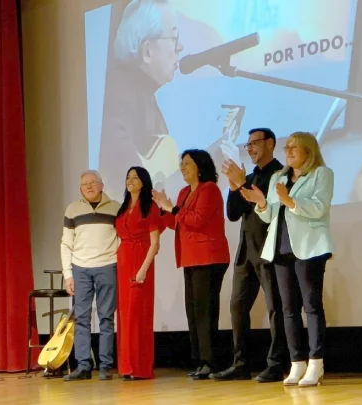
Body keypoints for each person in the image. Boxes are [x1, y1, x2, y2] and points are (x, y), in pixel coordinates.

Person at [240, 132, 335, 387]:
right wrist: (261, 203)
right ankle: (297, 363)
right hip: (281, 248)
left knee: (311, 306)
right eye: (287, 147)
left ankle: (316, 363)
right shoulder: (278, 178)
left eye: (294, 147)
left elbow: (319, 207)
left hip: (310, 248)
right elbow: (270, 215)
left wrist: (290, 200)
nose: (289, 151)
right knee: (288, 309)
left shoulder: (321, 174)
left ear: (308, 151)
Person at [210, 128, 286, 382]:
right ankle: (241, 364)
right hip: (247, 250)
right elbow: (233, 214)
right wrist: (235, 186)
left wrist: (241, 182)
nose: (250, 148)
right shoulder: (250, 176)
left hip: (271, 249)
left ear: (270, 144)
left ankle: (276, 364)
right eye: (248, 144)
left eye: (255, 143)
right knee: (237, 306)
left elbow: (269, 209)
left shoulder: (280, 175)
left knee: (276, 307)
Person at [152, 149, 230, 380]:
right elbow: (176, 222)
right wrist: (161, 207)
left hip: (209, 257)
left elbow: (197, 220)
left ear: (200, 166)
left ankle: (210, 361)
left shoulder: (210, 189)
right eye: (181, 163)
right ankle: (199, 360)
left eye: (187, 163)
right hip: (190, 257)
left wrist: (172, 208)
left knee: (205, 311)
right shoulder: (184, 192)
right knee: (193, 310)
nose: (182, 167)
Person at [99, 0, 185, 194]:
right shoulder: (120, 88)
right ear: (147, 51)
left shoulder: (145, 94)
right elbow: (119, 161)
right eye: (174, 37)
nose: (180, 46)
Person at [61, 170, 122, 381]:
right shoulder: (73, 209)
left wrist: (115, 259)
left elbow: (123, 237)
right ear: (80, 189)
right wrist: (68, 274)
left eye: (93, 182)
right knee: (82, 318)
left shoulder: (115, 207)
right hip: (80, 268)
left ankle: (105, 366)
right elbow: (66, 244)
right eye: (85, 184)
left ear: (101, 185)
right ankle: (83, 366)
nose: (89, 186)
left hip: (107, 266)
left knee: (106, 318)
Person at [114, 166, 163, 380]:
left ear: (144, 182)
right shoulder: (124, 207)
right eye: (128, 177)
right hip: (123, 261)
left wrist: (143, 269)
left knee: (137, 314)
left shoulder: (150, 206)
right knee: (125, 316)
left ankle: (139, 367)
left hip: (140, 261)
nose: (130, 180)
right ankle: (126, 366)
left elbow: (155, 244)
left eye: (135, 177)